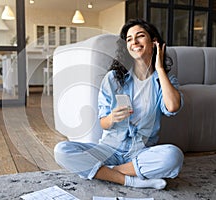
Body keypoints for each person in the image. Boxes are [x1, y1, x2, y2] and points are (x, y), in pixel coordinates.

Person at [54, 19, 184, 190]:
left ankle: (106, 172)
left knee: (173, 156)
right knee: (62, 150)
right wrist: (112, 117)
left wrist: (159, 69)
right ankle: (131, 180)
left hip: (141, 152)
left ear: (154, 43)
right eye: (129, 39)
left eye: (140, 36)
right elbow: (103, 123)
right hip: (109, 149)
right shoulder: (114, 78)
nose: (134, 42)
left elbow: (173, 107)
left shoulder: (164, 81)